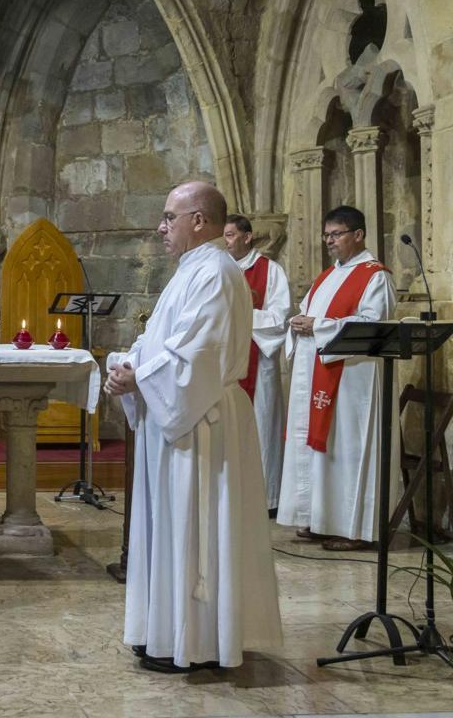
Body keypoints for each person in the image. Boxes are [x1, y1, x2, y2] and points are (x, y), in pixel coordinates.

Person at [104, 181, 282, 673]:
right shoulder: (191, 271)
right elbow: (160, 339)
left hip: (202, 421)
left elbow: (196, 355)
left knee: (195, 531)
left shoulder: (216, 273)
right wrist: (129, 366)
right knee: (171, 527)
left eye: (168, 217)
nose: (161, 227)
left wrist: (140, 376)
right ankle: (163, 632)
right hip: (180, 416)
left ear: (198, 220)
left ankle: (195, 642)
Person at [278, 205, 397, 551]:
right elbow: (307, 310)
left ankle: (354, 528)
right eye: (327, 235)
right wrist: (299, 322)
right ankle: (322, 519)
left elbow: (375, 326)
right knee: (323, 452)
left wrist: (318, 326)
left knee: (349, 450)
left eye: (336, 234)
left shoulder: (375, 276)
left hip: (353, 380)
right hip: (321, 373)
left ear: (358, 235)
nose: (329, 241)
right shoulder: (328, 275)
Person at [222, 215, 290, 513]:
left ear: (247, 237)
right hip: (225, 365)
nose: (226, 242)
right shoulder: (221, 271)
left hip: (258, 365)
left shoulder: (271, 271)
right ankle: (228, 496)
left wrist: (238, 317)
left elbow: (279, 319)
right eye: (223, 236)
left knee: (262, 426)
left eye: (230, 235)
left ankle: (265, 499)